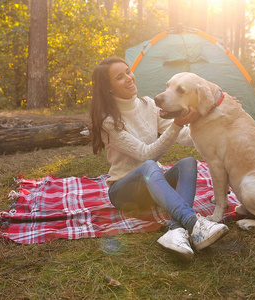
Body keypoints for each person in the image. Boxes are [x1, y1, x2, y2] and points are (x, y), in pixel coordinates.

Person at [89, 57, 229, 262]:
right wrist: (177, 124)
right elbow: (147, 154)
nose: (129, 78)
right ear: (108, 88)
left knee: (188, 162)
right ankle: (193, 224)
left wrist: (208, 118)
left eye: (128, 71)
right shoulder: (108, 121)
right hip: (124, 191)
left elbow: (185, 137)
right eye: (120, 77)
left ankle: (175, 231)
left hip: (152, 187)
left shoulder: (148, 104)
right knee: (149, 165)